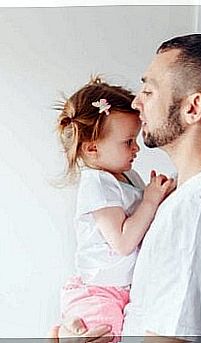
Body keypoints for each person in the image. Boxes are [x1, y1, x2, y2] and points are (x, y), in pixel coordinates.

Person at [52, 34, 201, 342]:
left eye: (149, 91)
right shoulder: (188, 199)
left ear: (193, 108)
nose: (137, 103)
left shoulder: (200, 214)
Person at [54, 77, 177, 341]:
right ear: (92, 148)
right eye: (128, 141)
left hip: (119, 289)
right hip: (99, 293)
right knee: (103, 335)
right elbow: (122, 242)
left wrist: (160, 194)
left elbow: (143, 219)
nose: (136, 148)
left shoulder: (126, 176)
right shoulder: (97, 183)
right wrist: (150, 200)